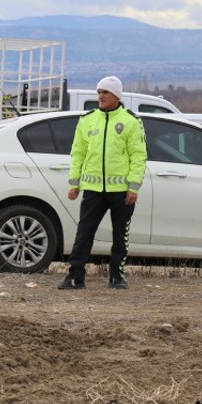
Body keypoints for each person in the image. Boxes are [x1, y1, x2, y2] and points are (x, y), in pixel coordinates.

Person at [58, 76, 147, 290]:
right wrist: (74, 183)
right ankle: (75, 276)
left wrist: (133, 186)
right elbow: (77, 153)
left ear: (117, 95)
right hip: (93, 190)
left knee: (120, 235)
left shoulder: (130, 121)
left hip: (121, 191)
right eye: (99, 92)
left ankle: (117, 276)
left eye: (105, 92)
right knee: (84, 233)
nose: (100, 96)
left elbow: (138, 155)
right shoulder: (87, 120)